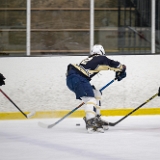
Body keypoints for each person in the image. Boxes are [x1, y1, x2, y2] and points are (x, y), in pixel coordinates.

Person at [66, 44, 126, 133]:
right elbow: (113, 64)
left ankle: (96, 118)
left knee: (96, 93)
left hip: (73, 79)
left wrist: (118, 72)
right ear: (101, 52)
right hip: (78, 78)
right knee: (90, 99)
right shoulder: (101, 58)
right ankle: (90, 122)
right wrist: (122, 69)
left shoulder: (89, 59)